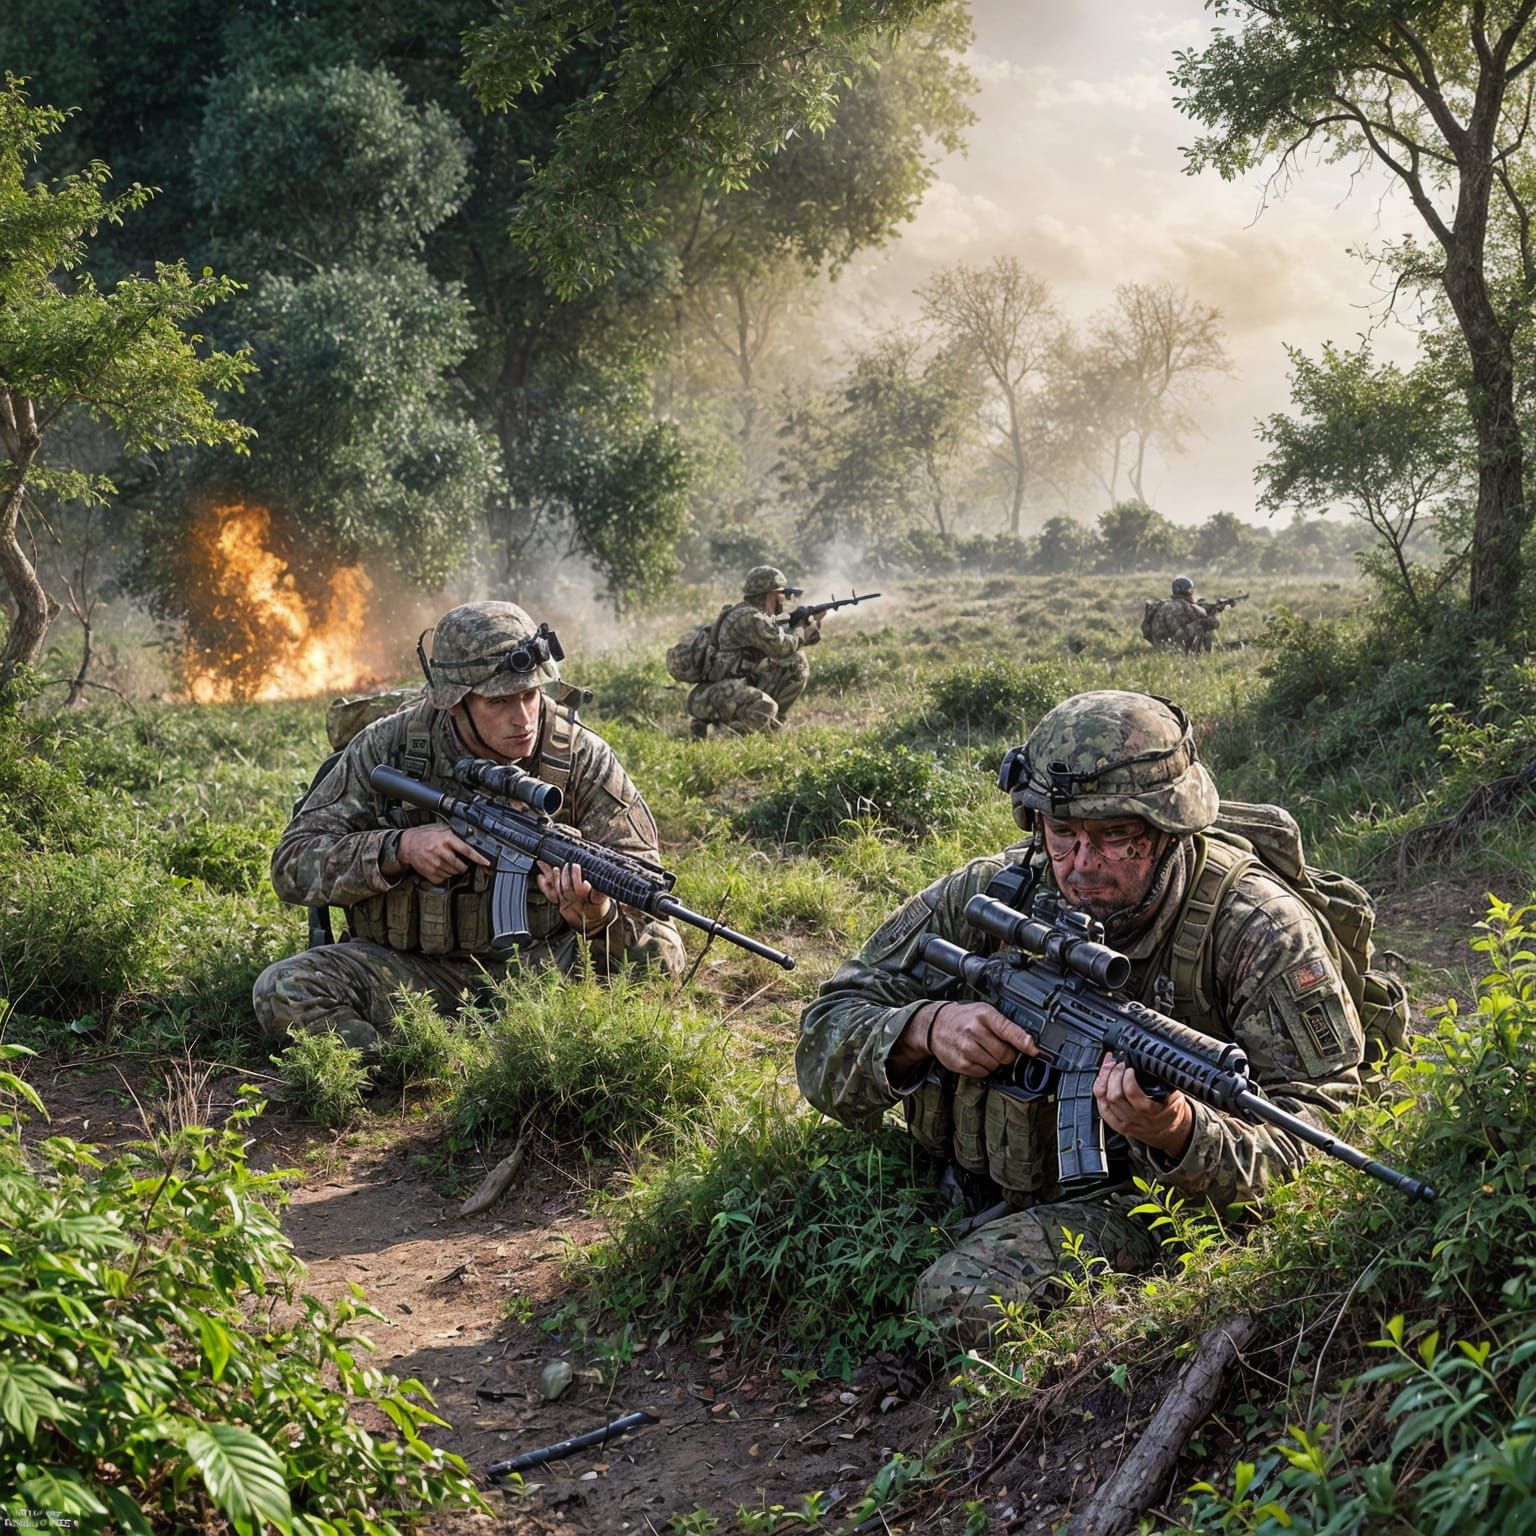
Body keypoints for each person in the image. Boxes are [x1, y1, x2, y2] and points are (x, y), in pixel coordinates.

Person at [796, 690, 1365, 1342]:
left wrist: (1180, 1132)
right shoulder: (993, 894)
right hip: (982, 1180)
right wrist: (923, 1028)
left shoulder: (1256, 929)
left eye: (1115, 836)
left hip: (1152, 1203)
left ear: (1170, 827)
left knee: (958, 1299)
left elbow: (1329, 1143)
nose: (1082, 865)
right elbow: (825, 1029)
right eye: (1062, 834)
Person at [254, 601, 686, 1056]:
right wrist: (397, 849)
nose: (523, 719)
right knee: (284, 988)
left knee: (658, 955)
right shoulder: (389, 747)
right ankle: (413, 1065)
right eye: (498, 701)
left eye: (530, 695)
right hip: (413, 973)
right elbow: (292, 864)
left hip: (542, 967)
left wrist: (595, 917)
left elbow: (640, 881)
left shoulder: (580, 755)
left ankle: (506, 1051)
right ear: (455, 703)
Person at [685, 565, 821, 737]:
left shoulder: (753, 616)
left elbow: (786, 642)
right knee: (767, 705)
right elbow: (783, 648)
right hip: (713, 695)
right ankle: (732, 739)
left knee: (794, 663)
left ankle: (767, 723)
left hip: (722, 691)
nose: (783, 600)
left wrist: (809, 626)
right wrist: (802, 628)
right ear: (770, 595)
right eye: (781, 594)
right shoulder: (749, 618)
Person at [1141, 575, 1220, 654]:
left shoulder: (1167, 605)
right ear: (1187, 591)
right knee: (1204, 632)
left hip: (1160, 650)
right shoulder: (1180, 607)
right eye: (1191, 590)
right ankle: (1203, 655)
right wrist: (1207, 621)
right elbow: (1182, 634)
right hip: (1174, 651)